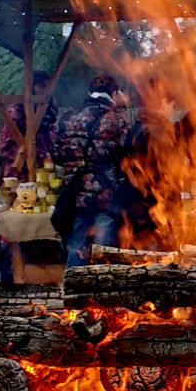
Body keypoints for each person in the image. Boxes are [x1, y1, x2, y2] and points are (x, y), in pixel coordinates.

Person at [53, 75, 130, 267]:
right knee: (103, 253)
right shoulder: (117, 121)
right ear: (113, 93)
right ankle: (100, 293)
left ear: (90, 92)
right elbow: (127, 157)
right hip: (106, 196)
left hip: (75, 196)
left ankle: (71, 292)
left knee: (76, 248)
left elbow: (57, 155)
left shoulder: (68, 118)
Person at [0, 70, 57, 181]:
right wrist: (31, 154)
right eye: (42, 86)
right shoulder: (15, 112)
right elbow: (5, 147)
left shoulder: (48, 114)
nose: (46, 91)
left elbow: (50, 141)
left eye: (49, 87)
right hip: (19, 174)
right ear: (33, 86)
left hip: (44, 172)